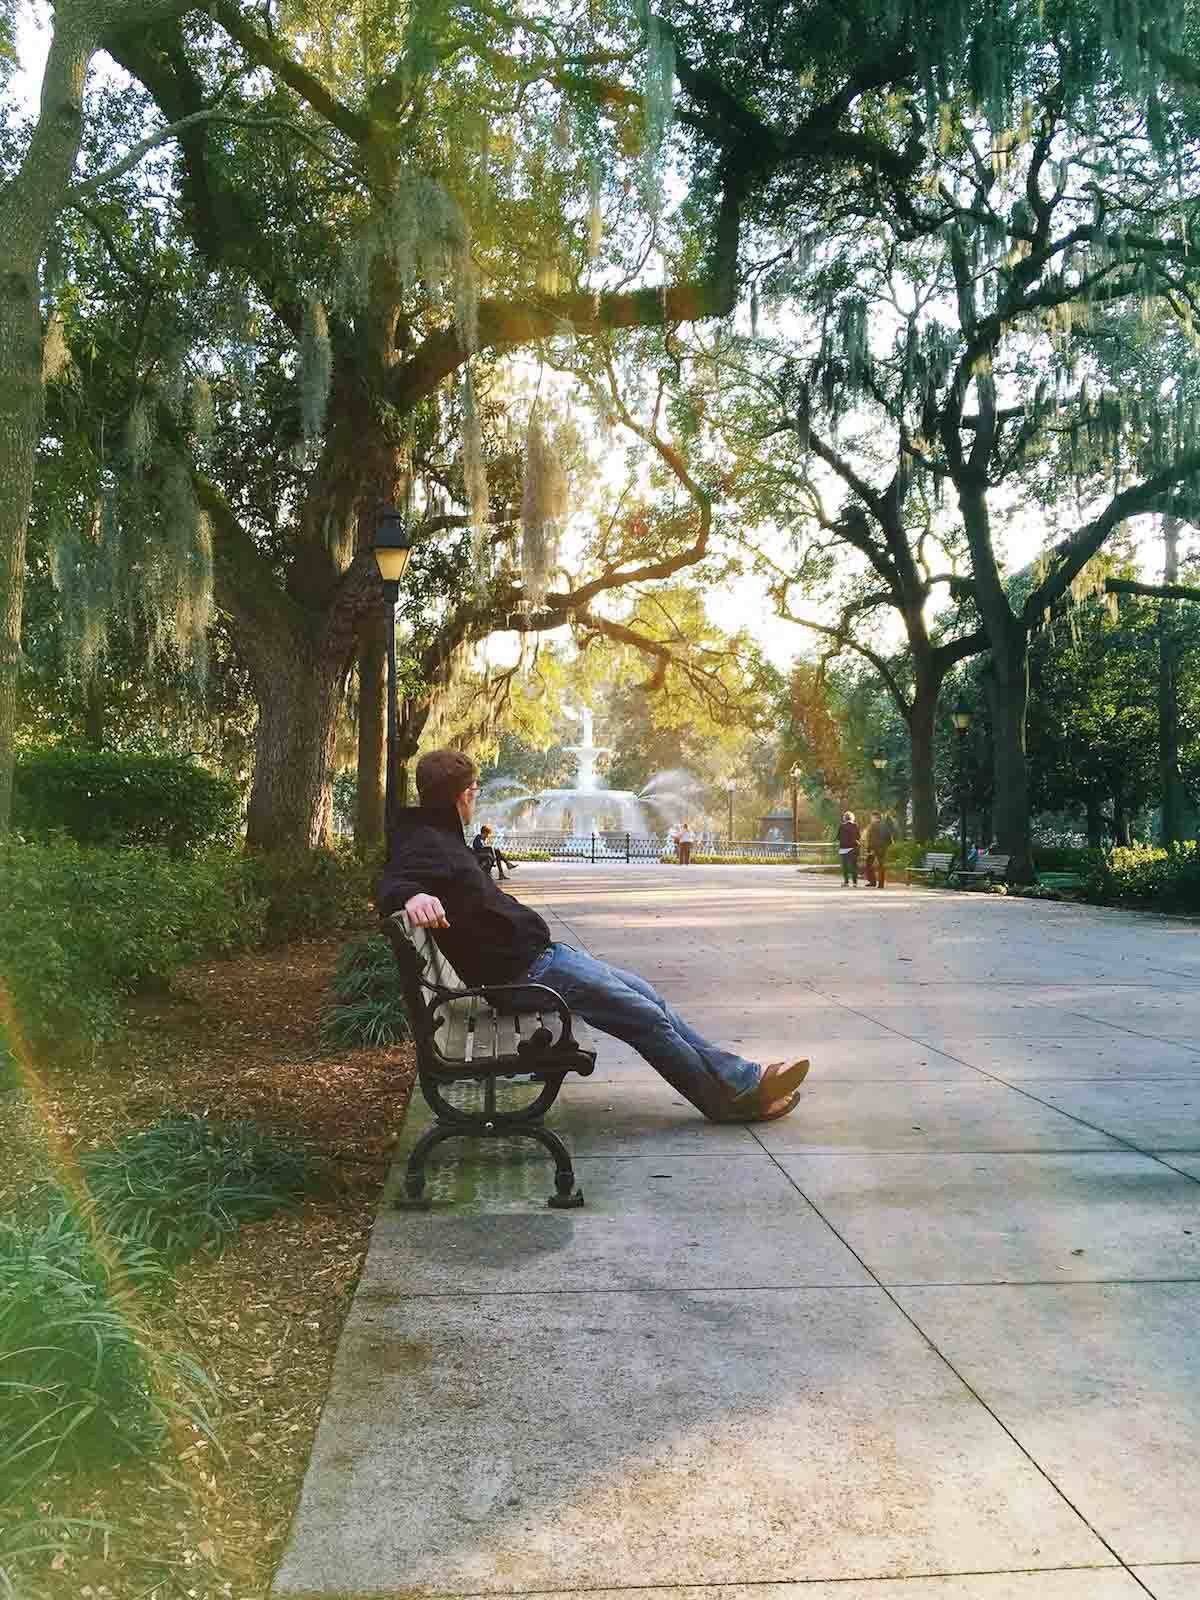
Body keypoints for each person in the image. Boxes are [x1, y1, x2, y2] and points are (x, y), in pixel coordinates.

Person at [378, 749, 811, 1123]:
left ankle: (742, 1078)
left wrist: (416, 890)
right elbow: (390, 882)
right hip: (525, 976)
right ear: (462, 795)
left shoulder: (436, 837)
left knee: (649, 998)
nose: (477, 798)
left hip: (538, 960)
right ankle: (729, 1101)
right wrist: (411, 894)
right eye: (475, 790)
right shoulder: (427, 842)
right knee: (645, 1018)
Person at [866, 811, 897, 888]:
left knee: (868, 864)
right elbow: (889, 837)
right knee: (881, 865)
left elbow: (871, 838)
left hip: (874, 847)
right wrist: (887, 846)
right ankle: (881, 884)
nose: (871, 819)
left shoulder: (873, 826)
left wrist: (870, 849)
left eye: (871, 817)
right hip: (883, 848)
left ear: (875, 817)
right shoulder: (885, 825)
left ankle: (872, 881)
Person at [837, 810, 861, 886]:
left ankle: (846, 882)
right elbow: (858, 837)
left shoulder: (842, 826)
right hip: (854, 848)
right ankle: (855, 883)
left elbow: (838, 837)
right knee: (854, 866)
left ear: (845, 818)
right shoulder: (855, 826)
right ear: (852, 818)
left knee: (845, 866)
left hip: (844, 849)